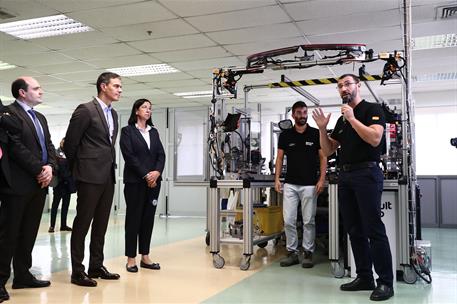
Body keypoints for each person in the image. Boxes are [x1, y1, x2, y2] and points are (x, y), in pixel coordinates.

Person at [312, 74, 394, 301]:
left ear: (358, 86)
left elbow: (375, 138)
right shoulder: (341, 121)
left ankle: (386, 282)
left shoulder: (372, 109)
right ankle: (365, 277)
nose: (343, 88)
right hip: (345, 177)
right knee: (354, 229)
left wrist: (353, 118)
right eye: (339, 86)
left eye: (347, 84)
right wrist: (321, 129)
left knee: (373, 229)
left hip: (367, 174)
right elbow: (328, 151)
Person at [0, 77, 56, 302]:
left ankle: (22, 275)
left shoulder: (40, 117)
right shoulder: (8, 114)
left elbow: (49, 145)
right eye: (36, 88)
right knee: (8, 235)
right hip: (18, 184)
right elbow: (15, 147)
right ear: (22, 93)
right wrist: (39, 169)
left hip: (39, 184)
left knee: (29, 232)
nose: (41, 91)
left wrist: (50, 167)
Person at [64, 72, 121, 287]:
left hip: (107, 175)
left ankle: (96, 266)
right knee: (82, 224)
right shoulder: (85, 110)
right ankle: (77, 271)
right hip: (88, 175)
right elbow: (70, 143)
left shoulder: (113, 114)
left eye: (120, 86)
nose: (119, 90)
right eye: (116, 86)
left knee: (101, 224)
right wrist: (75, 171)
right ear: (103, 86)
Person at [275, 101, 327, 268]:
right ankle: (292, 253)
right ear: (293, 115)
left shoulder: (315, 134)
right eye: (299, 112)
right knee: (289, 220)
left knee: (308, 221)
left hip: (310, 185)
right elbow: (279, 158)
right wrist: (276, 179)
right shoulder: (285, 136)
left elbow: (323, 157)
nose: (302, 115)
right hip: (290, 184)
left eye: (304, 112)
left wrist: (321, 179)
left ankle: (308, 253)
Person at [120, 99, 165, 273]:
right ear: (136, 111)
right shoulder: (127, 132)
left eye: (150, 108)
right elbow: (129, 157)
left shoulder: (154, 132)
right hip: (135, 182)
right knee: (133, 219)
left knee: (148, 219)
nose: (148, 110)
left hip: (154, 183)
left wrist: (157, 172)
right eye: (144, 107)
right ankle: (131, 259)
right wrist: (146, 174)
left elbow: (161, 155)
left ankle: (145, 256)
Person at [49, 138, 76, 233]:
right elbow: (58, 167)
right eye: (63, 141)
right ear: (60, 142)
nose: (64, 143)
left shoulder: (70, 154)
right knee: (55, 205)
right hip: (59, 184)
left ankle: (63, 225)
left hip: (68, 184)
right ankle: (52, 226)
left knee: (65, 206)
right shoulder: (56, 153)